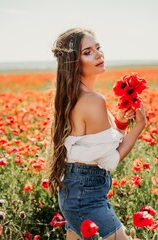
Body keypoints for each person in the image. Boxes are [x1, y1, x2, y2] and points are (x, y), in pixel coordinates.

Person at [48, 28, 146, 240]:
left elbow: (98, 148)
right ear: (73, 61)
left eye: (98, 48)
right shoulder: (93, 100)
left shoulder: (73, 96)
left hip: (74, 194)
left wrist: (120, 121)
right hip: (87, 198)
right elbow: (109, 159)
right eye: (88, 51)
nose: (99, 54)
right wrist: (139, 126)